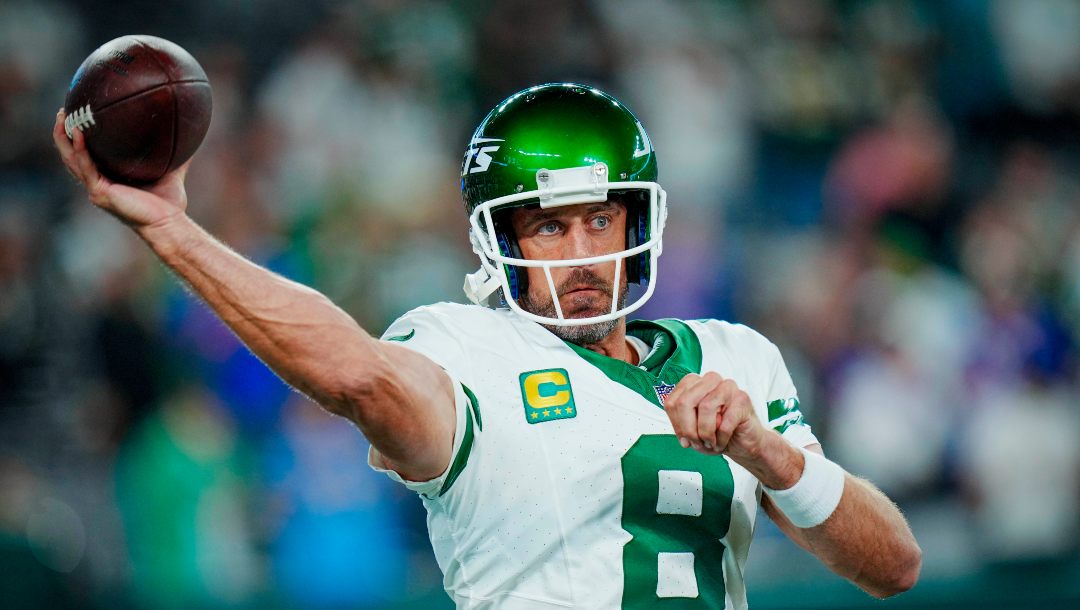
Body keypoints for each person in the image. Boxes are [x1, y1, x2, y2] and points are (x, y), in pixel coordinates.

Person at [54, 82, 920, 609]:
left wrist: (767, 453)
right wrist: (174, 231)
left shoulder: (737, 354)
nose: (583, 254)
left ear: (640, 222)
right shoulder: (463, 346)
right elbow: (354, 376)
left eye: (600, 219)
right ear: (499, 240)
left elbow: (893, 568)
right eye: (547, 228)